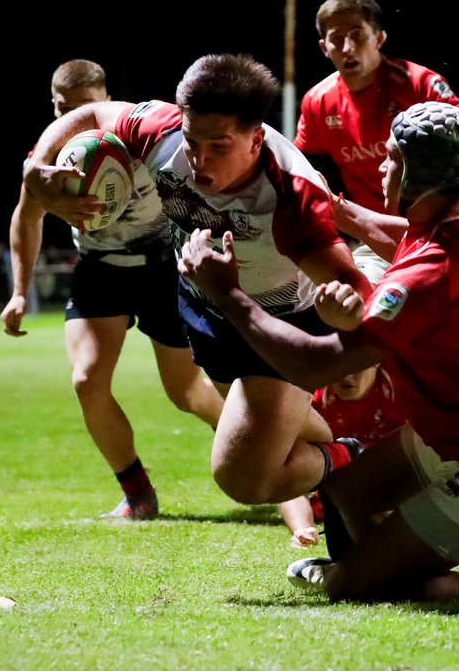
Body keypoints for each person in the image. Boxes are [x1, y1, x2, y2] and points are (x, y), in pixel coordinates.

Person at [179, 101, 459, 605]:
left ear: (421, 175)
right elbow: (403, 237)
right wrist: (340, 208)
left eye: (392, 158)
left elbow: (315, 365)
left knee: (352, 587)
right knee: (350, 495)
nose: (381, 166)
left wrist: (229, 294)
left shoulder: (428, 277)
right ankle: (393, 568)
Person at [23, 53, 373, 509]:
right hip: (207, 307)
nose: (199, 159)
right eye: (192, 141)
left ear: (256, 138)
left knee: (243, 479)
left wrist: (352, 330)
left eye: (219, 146)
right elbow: (88, 115)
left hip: (277, 325)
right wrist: (37, 167)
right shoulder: (162, 133)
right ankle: (337, 465)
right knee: (278, 435)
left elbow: (351, 282)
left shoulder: (288, 198)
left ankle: (356, 459)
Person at [1, 59, 224, 521]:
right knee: (87, 381)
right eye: (62, 109)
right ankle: (137, 492)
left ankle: (268, 449)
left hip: (165, 268)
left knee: (184, 393)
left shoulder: (141, 139)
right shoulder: (47, 161)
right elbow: (26, 216)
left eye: (82, 108)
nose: (70, 120)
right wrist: (19, 290)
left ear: (105, 104)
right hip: (100, 269)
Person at [295, 0, 459, 280]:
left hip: (444, 228)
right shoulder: (317, 101)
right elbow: (298, 168)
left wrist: (433, 192)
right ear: (323, 47)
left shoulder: (419, 83)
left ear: (379, 39)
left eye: (358, 35)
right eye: (336, 38)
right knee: (345, 306)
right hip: (378, 235)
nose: (348, 47)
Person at [279, 363, 405, 548]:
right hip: (331, 508)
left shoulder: (400, 395)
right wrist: (302, 529)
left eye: (356, 364)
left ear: (375, 362)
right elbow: (290, 475)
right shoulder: (311, 402)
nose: (346, 375)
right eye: (338, 364)